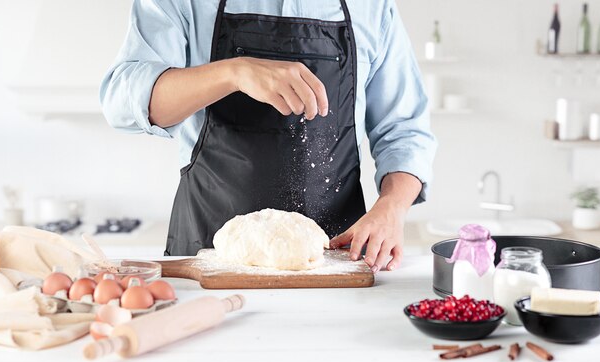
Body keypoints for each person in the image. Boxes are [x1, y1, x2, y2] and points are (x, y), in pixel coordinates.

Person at [100, 0, 437, 272]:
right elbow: (122, 101)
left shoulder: (372, 6)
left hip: (336, 262)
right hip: (209, 260)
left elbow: (405, 129)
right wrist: (232, 72)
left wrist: (392, 206)